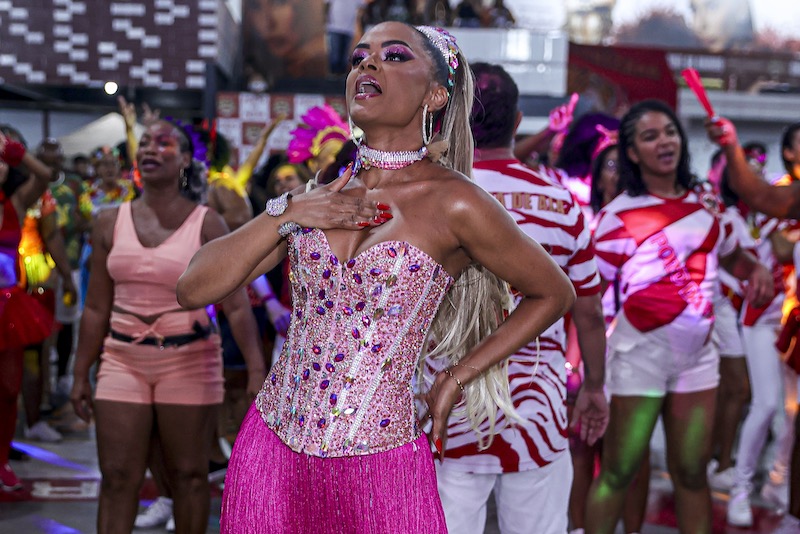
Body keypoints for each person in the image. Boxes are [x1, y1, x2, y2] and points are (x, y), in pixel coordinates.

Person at [177, 22, 574, 532]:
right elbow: (193, 288)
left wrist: (455, 378)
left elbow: (553, 292)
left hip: (380, 461)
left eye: (393, 56)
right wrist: (288, 211)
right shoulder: (320, 191)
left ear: (435, 94)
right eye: (360, 56)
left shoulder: (456, 201)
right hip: (270, 448)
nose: (367, 64)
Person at [428, 62, 607, 534]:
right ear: (518, 120)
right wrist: (593, 387)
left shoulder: (432, 197)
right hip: (537, 410)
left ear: (456, 119)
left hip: (446, 405)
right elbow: (587, 308)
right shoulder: (563, 202)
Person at [586, 99, 773, 534]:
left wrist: (756, 269)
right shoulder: (615, 218)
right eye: (650, 136)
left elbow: (733, 257)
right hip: (638, 353)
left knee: (692, 474)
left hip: (698, 360)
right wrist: (588, 372)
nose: (664, 141)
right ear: (632, 153)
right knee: (618, 472)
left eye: (669, 131)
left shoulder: (706, 204)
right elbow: (589, 298)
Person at [69, 120, 266, 533]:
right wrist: (79, 373)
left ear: (185, 160)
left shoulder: (208, 223)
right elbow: (95, 309)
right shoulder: (109, 221)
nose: (150, 149)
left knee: (190, 476)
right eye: (145, 144)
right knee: (119, 477)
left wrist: (254, 368)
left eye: (163, 143)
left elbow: (235, 306)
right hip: (121, 359)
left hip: (190, 360)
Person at [707, 117, 800, 533]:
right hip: (765, 318)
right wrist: (731, 145)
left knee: (794, 416)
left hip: (793, 325)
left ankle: (779, 486)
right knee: (763, 405)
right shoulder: (784, 197)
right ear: (789, 154)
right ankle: (741, 490)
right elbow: (778, 244)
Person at [0, 127, 57, 491]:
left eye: (1, 162)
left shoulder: (16, 202)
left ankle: (1, 459)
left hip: (8, 307)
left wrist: (14, 150)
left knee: (8, 389)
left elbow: (45, 175)